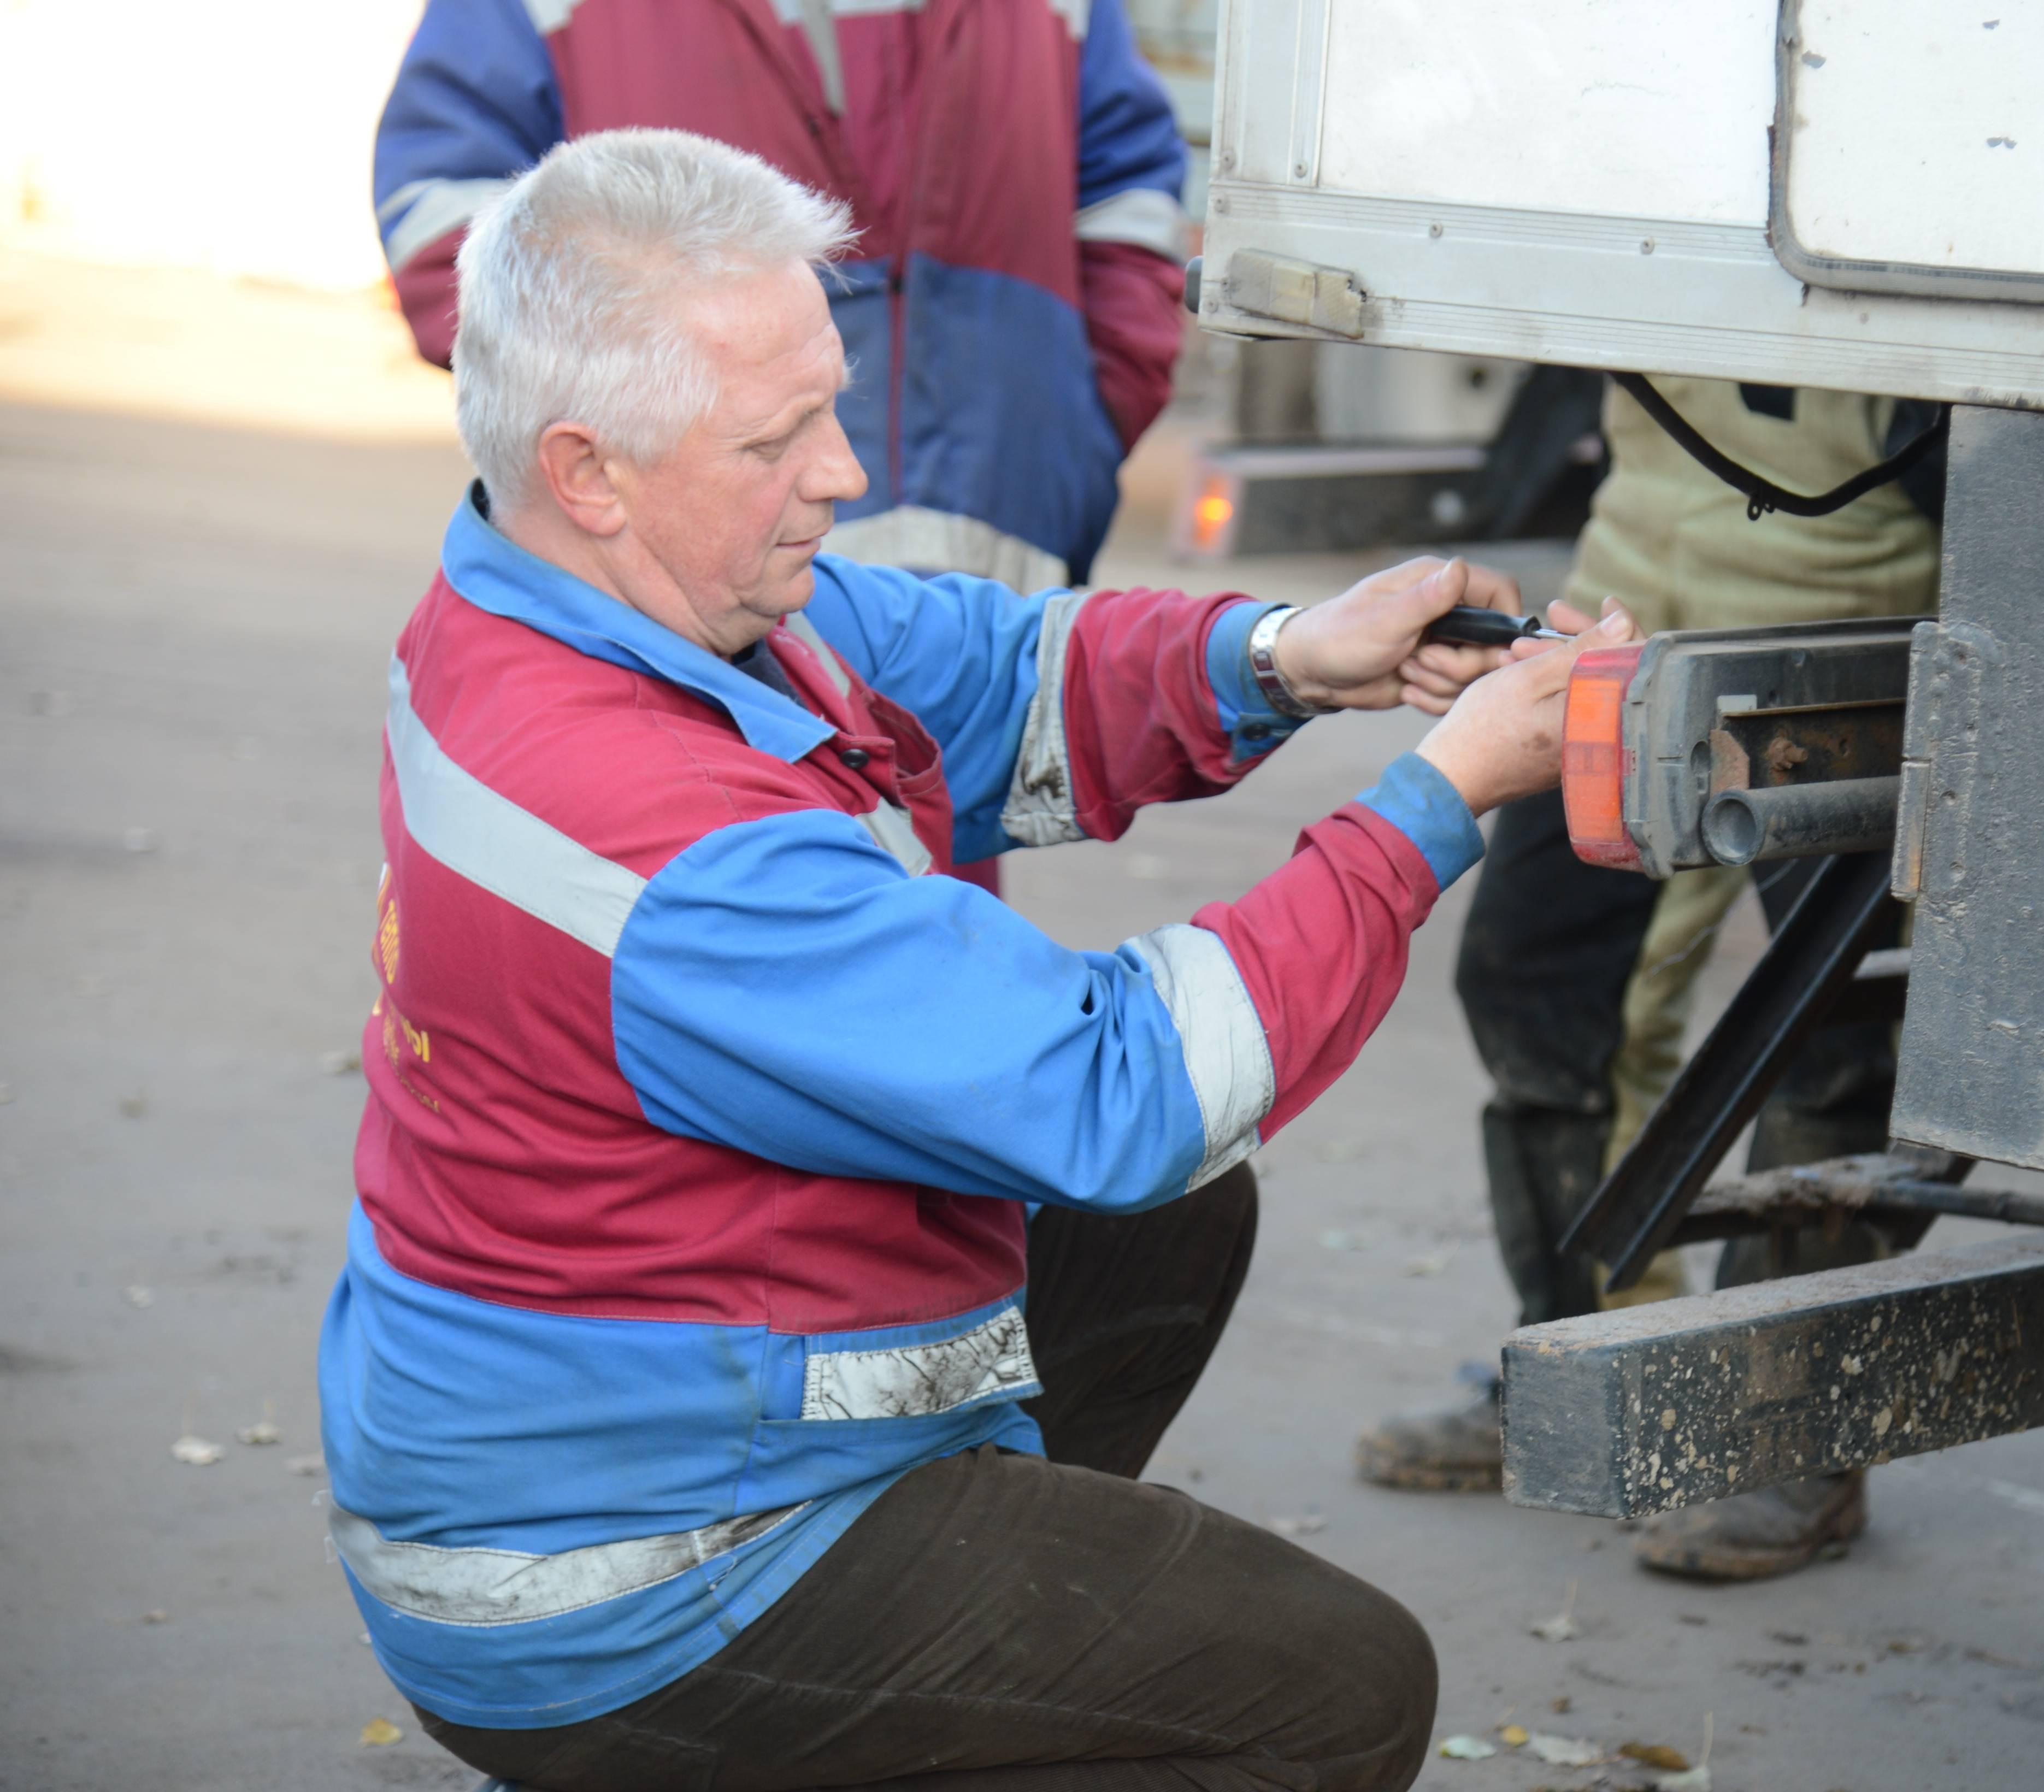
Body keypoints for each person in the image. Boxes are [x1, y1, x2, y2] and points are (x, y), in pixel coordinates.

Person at [321, 128, 1628, 1790]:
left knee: (1160, 1217)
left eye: (830, 405)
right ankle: (825, 1716)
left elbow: (993, 667)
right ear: (590, 467)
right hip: (618, 1580)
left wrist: (1291, 653)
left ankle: (944, 1693)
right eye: (779, 437)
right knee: (1342, 1693)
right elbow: (1128, 1080)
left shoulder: (573, 600)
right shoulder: (660, 835)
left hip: (568, 1426)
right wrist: (1438, 804)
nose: (841, 473)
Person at [1353, 374, 1945, 1584]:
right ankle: (1588, 1365)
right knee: (1529, 984)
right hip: (1621, 618)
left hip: (1847, 629)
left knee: (1832, 1047)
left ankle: (1789, 1428)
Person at [371, 0, 1187, 595]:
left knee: (936, 817)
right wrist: (621, 411)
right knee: (682, 818)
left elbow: (1129, 190)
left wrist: (1083, 417)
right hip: (680, 598)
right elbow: (442, 211)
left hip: (996, 558)